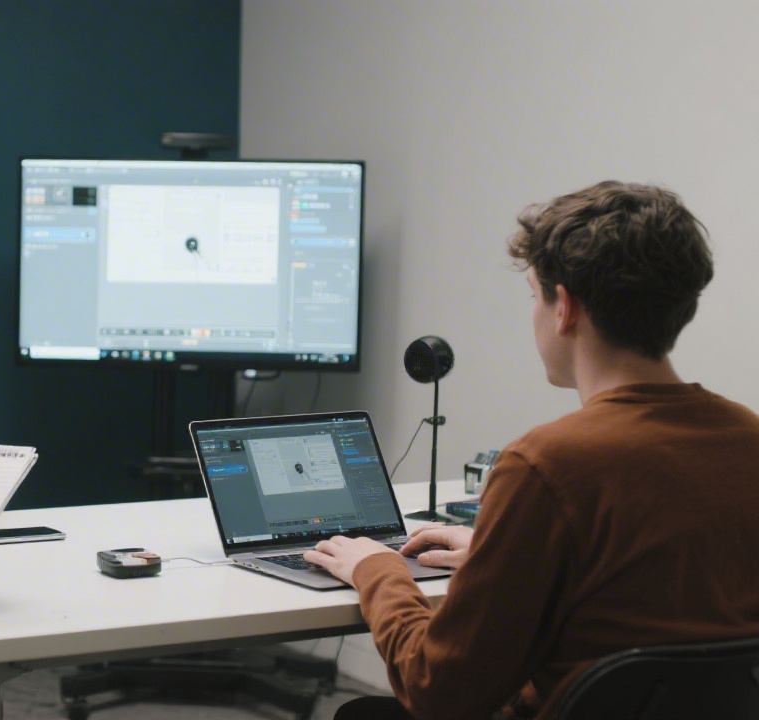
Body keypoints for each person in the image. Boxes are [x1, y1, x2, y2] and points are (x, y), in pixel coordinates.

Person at [304, 181, 759, 720]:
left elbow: (437, 691)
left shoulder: (548, 464)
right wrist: (496, 553)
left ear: (564, 307)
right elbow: (657, 601)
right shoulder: (746, 437)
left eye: (536, 295)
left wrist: (379, 570)